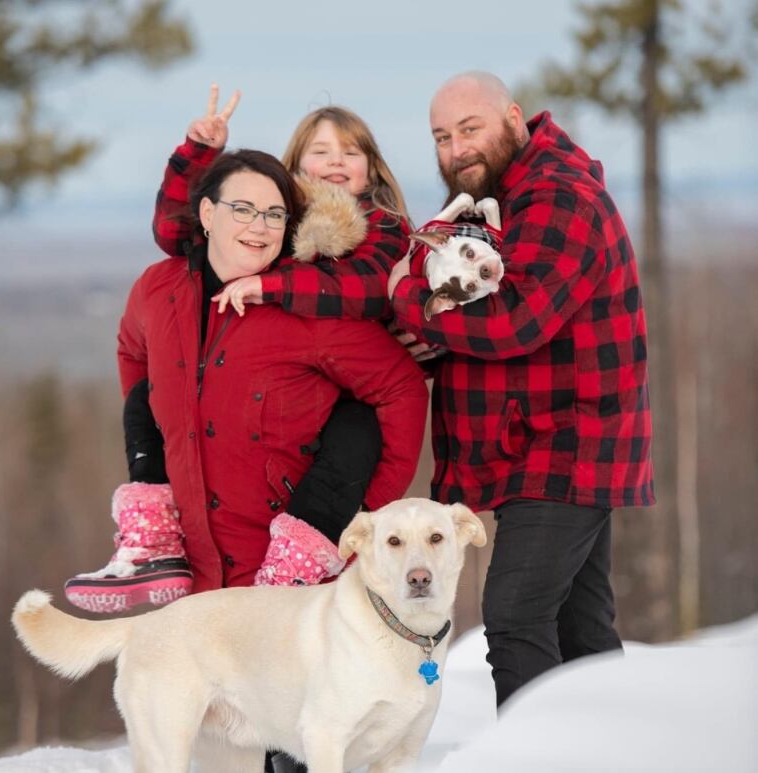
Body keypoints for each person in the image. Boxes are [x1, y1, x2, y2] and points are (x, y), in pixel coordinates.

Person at [65, 89, 428, 612]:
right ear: (207, 214)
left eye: (274, 216)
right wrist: (169, 431)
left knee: (356, 427)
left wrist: (367, 518)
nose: (259, 226)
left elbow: (400, 385)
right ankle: (150, 543)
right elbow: (133, 349)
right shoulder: (158, 289)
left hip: (289, 585)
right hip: (195, 580)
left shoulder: (313, 300)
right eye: (243, 210)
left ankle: (295, 565)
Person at [388, 71, 655, 710]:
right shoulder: (506, 205)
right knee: (579, 627)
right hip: (541, 442)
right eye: (442, 138)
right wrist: (437, 338)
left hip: (568, 443)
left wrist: (409, 297)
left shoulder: (559, 199)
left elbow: (516, 320)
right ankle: (617, 750)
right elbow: (488, 313)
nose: (456, 150)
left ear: (512, 118)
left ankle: (539, 753)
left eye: (470, 129)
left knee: (514, 616)